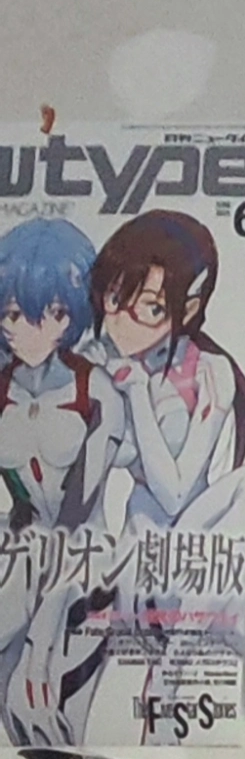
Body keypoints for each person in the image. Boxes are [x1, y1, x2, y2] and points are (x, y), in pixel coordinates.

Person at [90, 210, 245, 530]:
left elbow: (174, 495)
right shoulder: (100, 359)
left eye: (152, 308)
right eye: (115, 297)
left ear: (189, 310)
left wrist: (138, 393)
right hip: (134, 535)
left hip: (198, 530)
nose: (123, 320)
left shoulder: (208, 372)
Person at [0, 217, 125, 533]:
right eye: (15, 315)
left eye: (56, 313)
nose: (34, 332)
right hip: (19, 548)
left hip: (83, 551)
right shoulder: (3, 388)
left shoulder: (96, 390)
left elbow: (79, 505)